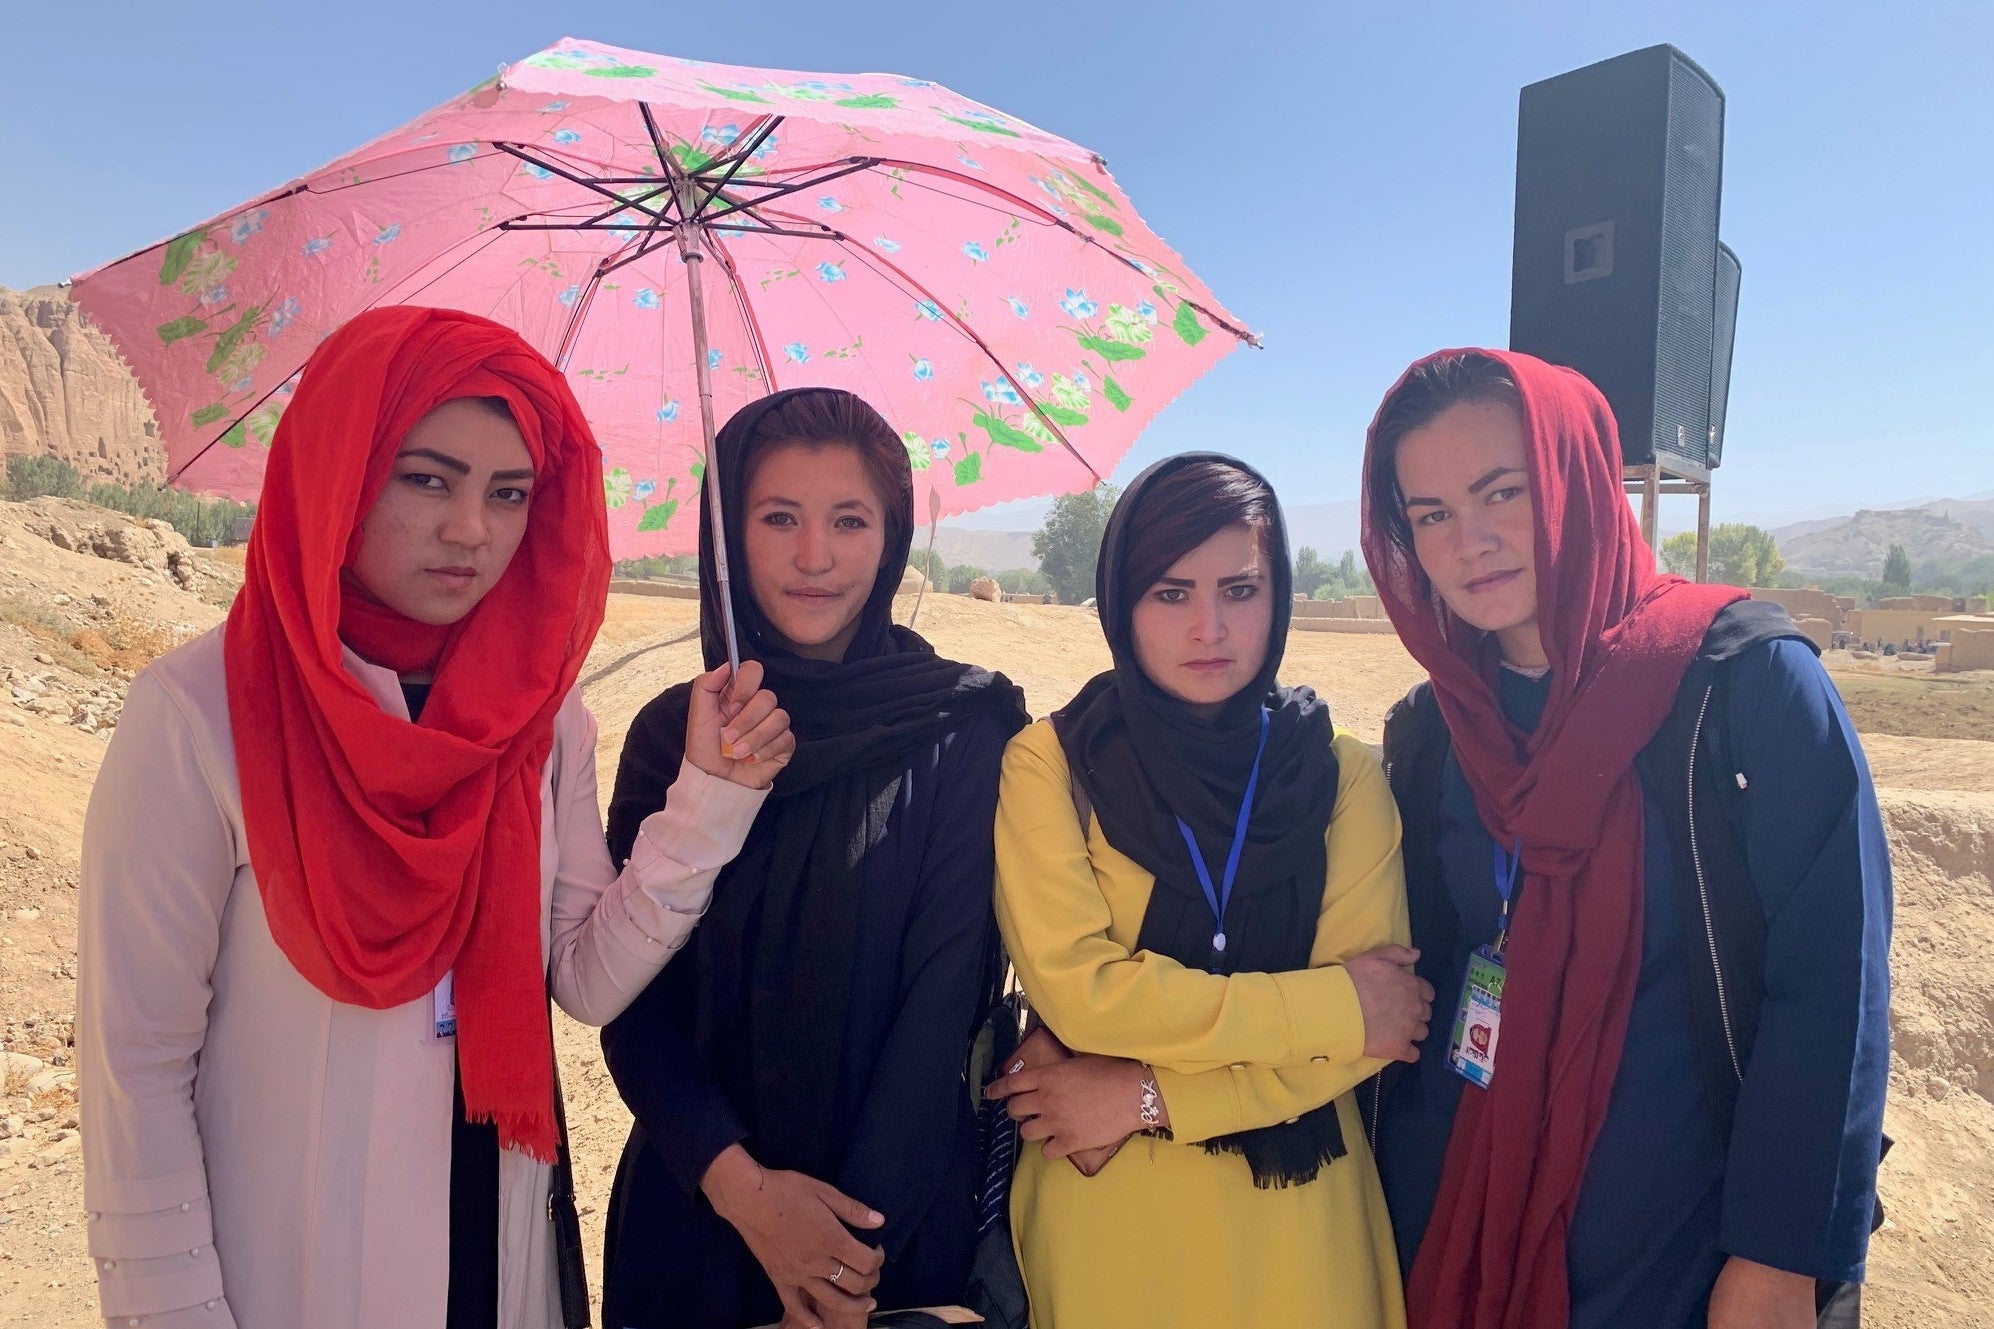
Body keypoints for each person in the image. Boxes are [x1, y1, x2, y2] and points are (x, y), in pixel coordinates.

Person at [77, 307, 790, 1329]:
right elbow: (135, 1068)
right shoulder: (199, 716)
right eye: (427, 478)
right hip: (287, 1269)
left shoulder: (538, 720)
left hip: (493, 1251)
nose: (472, 530)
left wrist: (711, 800)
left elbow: (581, 979)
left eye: (509, 494)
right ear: (341, 470)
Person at [1361, 349, 1891, 1329]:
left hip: (1675, 1250)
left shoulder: (1739, 686)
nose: (1466, 540)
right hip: (1462, 1222)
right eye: (1428, 513)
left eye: (1500, 491)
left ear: (1573, 481)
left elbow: (1830, 984)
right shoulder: (1437, 728)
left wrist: (1779, 1256)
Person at [598, 388, 1030, 1329]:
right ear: (726, 532)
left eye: (849, 520)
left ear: (893, 535)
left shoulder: (962, 728)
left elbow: (943, 1000)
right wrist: (745, 1192)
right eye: (778, 517)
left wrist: (841, 1269)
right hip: (696, 1214)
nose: (814, 557)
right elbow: (631, 1003)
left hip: (896, 1239)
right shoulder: (673, 734)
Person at [986, 453, 1426, 1329]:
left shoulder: (1339, 775)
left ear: (1281, 594)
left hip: (1300, 1235)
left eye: (1240, 588)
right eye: (1170, 593)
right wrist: (1331, 1004)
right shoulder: (1052, 763)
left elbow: (1368, 1040)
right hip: (1108, 1220)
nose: (1209, 628)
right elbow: (1084, 997)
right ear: (1120, 601)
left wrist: (1146, 1096)